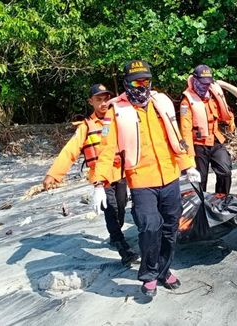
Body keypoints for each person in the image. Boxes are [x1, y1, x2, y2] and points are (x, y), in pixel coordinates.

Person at [91, 60, 201, 297]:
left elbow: (176, 138)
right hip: (142, 180)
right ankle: (149, 274)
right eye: (136, 82)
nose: (142, 87)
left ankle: (164, 270)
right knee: (150, 226)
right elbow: (106, 150)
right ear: (126, 83)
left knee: (171, 226)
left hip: (170, 176)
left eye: (146, 81)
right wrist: (99, 183)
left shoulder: (160, 102)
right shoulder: (115, 111)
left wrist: (188, 165)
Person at [43, 83, 140, 267]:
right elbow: (69, 151)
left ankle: (115, 233)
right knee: (110, 209)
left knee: (120, 207)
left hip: (120, 173)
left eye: (106, 99)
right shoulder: (86, 127)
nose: (103, 104)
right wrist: (54, 175)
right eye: (99, 100)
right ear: (91, 101)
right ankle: (122, 248)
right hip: (100, 179)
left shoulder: (119, 119)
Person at [179, 64, 235, 194]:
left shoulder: (214, 95)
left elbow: (225, 112)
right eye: (202, 83)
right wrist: (190, 160)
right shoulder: (186, 102)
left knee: (225, 171)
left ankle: (221, 199)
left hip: (215, 140)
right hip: (198, 144)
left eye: (208, 83)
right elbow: (185, 131)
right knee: (200, 178)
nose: (205, 86)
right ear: (195, 80)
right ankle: (200, 207)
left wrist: (230, 122)